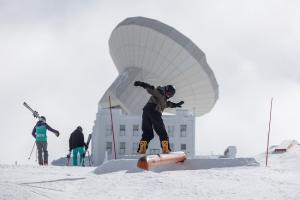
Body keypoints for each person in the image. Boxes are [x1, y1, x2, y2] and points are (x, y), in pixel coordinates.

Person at [134, 81, 184, 154]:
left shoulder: (163, 98)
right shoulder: (160, 92)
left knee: (148, 133)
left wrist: (175, 105)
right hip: (154, 112)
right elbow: (151, 90)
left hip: (146, 112)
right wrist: (142, 84)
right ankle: (165, 149)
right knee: (162, 132)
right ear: (166, 90)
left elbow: (167, 104)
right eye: (169, 93)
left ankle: (142, 148)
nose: (169, 95)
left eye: (171, 95)